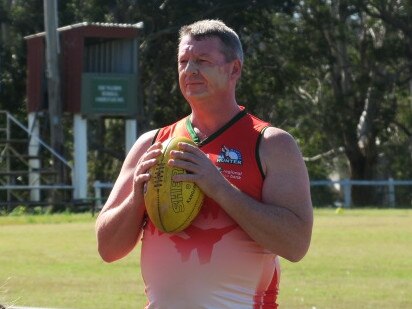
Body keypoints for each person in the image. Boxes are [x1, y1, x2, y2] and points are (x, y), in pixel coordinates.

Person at [95, 19, 313, 308]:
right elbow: (107, 249)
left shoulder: (271, 144)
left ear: (234, 69)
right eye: (184, 61)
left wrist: (219, 188)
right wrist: (138, 197)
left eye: (203, 60)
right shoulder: (152, 144)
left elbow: (295, 244)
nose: (190, 70)